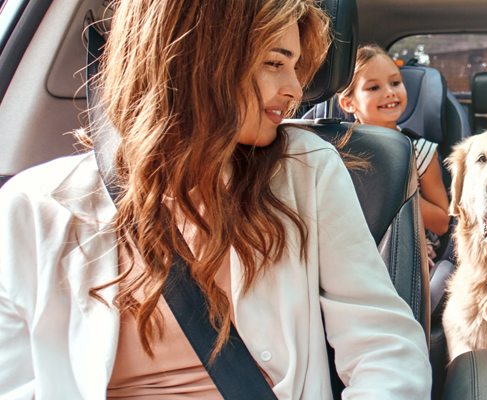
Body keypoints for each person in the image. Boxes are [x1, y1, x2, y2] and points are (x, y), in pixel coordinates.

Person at [0, 0, 431, 398]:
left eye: (296, 68)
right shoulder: (32, 208)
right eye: (274, 63)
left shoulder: (306, 169)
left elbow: (384, 348)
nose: (295, 91)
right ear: (193, 60)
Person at [337, 44, 451, 266]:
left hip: (407, 250)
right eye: (373, 87)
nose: (389, 92)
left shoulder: (421, 151)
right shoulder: (338, 152)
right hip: (350, 249)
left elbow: (442, 224)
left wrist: (394, 192)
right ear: (348, 102)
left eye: (395, 83)